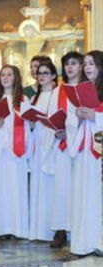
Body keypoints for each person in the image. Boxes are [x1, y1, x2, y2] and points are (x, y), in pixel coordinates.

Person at [0, 65, 30, 239]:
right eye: (3, 75)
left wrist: (30, 125)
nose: (5, 78)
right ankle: (0, 228)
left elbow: (29, 122)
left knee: (15, 189)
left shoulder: (24, 100)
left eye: (9, 75)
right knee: (0, 188)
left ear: (16, 77)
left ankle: (17, 228)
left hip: (17, 150)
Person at [45, 51, 83, 248]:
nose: (70, 67)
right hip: (62, 146)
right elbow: (52, 116)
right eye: (67, 64)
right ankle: (60, 229)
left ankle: (79, 228)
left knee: (79, 188)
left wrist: (72, 132)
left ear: (81, 66)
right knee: (61, 189)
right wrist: (57, 130)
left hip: (81, 146)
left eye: (74, 63)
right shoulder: (56, 92)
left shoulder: (87, 89)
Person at [69, 50, 103, 256]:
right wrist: (80, 116)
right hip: (84, 150)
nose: (88, 67)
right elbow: (75, 124)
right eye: (86, 64)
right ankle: (84, 241)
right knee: (84, 192)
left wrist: (96, 117)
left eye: (92, 63)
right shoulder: (82, 90)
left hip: (99, 150)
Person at [29, 60, 58, 241]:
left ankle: (52, 230)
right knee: (38, 185)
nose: (41, 76)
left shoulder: (58, 94)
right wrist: (31, 124)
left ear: (54, 76)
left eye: (46, 73)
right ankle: (39, 230)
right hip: (38, 142)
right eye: (39, 73)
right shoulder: (34, 98)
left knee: (51, 186)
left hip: (53, 143)